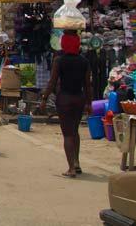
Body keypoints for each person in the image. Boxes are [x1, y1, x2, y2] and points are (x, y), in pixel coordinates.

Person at [38, 32, 93, 177]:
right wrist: (89, 103)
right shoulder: (84, 61)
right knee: (75, 131)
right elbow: (88, 85)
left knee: (67, 134)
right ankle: (76, 162)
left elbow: (52, 82)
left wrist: (44, 99)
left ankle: (71, 169)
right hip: (79, 99)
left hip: (65, 99)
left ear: (64, 44)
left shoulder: (59, 60)